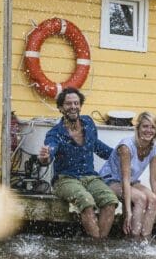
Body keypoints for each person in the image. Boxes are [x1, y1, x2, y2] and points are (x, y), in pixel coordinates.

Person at [38, 87, 119, 239]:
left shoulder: (88, 123)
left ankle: (99, 243)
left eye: (76, 103)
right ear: (61, 108)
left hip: (90, 177)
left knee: (110, 201)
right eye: (68, 104)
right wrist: (45, 157)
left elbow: (96, 146)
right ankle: (97, 247)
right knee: (86, 201)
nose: (73, 107)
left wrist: (118, 154)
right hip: (65, 179)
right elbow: (49, 154)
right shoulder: (55, 133)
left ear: (80, 106)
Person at [98, 111, 156, 238]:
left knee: (152, 199)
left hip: (132, 181)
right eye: (145, 126)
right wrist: (128, 213)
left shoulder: (155, 148)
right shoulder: (126, 147)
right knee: (140, 198)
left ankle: (146, 240)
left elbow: (155, 180)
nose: (148, 130)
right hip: (110, 180)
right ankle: (133, 240)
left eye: (152, 127)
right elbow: (125, 179)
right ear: (138, 128)